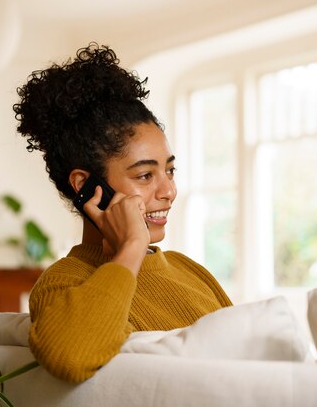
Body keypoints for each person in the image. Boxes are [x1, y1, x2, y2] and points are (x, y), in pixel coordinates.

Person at [13, 43, 232, 384]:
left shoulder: (191, 272)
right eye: (145, 175)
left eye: (169, 171)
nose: (168, 191)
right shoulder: (63, 283)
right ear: (87, 186)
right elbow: (70, 356)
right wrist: (130, 248)